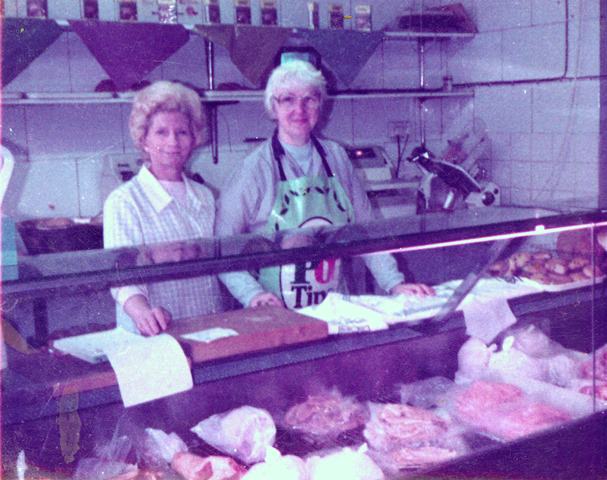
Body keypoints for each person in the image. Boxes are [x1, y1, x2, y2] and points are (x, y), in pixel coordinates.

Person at [217, 60, 434, 309]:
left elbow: (366, 231)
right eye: (288, 99)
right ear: (273, 107)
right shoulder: (253, 169)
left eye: (309, 99)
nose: (300, 109)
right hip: (275, 310)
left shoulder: (336, 157)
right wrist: (252, 295)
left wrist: (394, 284)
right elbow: (223, 248)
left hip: (334, 306)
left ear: (320, 105)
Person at [104, 80, 222, 335]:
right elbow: (121, 276)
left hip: (206, 326)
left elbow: (218, 263)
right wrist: (141, 312)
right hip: (153, 334)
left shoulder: (204, 197)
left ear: (194, 139)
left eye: (182, 132)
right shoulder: (124, 201)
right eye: (161, 132)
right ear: (143, 138)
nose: (173, 142)